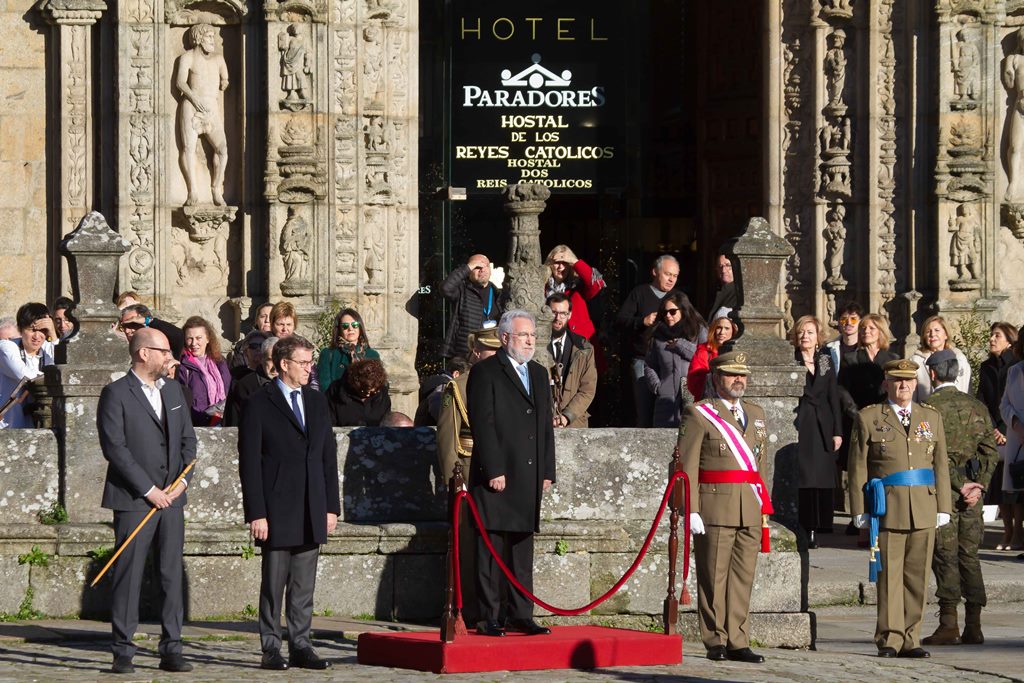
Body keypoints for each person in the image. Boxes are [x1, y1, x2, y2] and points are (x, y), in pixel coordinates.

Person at [96, 328, 196, 674]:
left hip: (172, 499)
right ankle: (123, 650)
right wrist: (148, 490)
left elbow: (188, 442)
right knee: (129, 575)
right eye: (164, 351)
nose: (171, 356)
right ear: (143, 354)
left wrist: (182, 482)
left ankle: (172, 648)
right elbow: (115, 449)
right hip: (135, 500)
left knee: (171, 574)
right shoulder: (115, 394)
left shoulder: (174, 391)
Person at [238, 334, 339, 671]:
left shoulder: (316, 401)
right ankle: (271, 646)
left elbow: (327, 455)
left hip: (313, 503)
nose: (311, 369)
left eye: (311, 362)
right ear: (284, 364)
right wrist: (257, 513)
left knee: (303, 584)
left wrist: (331, 506)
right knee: (274, 582)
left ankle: (301, 643)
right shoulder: (258, 402)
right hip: (277, 506)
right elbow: (249, 462)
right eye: (304, 363)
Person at [849, 359, 952, 659]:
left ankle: (911, 637)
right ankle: (890, 638)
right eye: (897, 380)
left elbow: (941, 464)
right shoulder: (869, 417)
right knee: (890, 576)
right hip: (888, 507)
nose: (904, 385)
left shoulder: (930, 417)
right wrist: (859, 508)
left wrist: (943, 505)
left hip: (922, 505)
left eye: (909, 380)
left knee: (917, 576)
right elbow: (857, 466)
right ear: (887, 383)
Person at [678, 351, 770, 664]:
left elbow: (759, 463)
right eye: (732, 374)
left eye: (742, 374)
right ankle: (715, 638)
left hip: (750, 506)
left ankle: (738, 639)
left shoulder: (756, 413)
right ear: (717, 378)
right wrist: (690, 508)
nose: (738, 380)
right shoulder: (700, 412)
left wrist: (762, 505)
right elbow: (685, 464)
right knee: (713, 576)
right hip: (715, 506)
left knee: (743, 578)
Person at [467, 310, 555, 637]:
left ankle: (521, 612)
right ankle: (488, 615)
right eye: (523, 335)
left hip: (528, 474)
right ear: (505, 338)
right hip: (499, 473)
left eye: (532, 335)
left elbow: (544, 425)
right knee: (491, 547)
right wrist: (494, 468)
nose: (530, 341)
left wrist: (547, 470)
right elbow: (483, 423)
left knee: (521, 548)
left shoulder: (538, 372)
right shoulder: (486, 372)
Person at [920, 350, 998, 646]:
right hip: (972, 497)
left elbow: (928, 456)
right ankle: (974, 625)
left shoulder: (927, 409)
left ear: (933, 374)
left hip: (942, 494)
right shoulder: (977, 406)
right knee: (970, 556)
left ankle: (948, 623)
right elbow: (990, 452)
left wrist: (961, 484)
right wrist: (978, 486)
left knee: (945, 557)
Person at [791, 316, 842, 548]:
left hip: (823, 423)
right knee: (803, 475)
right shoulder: (791, 358)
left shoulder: (824, 360)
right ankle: (805, 527)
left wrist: (837, 431)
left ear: (818, 336)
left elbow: (833, 395)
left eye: (810, 332)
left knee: (821, 475)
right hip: (801, 421)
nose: (805, 336)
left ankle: (820, 526)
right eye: (802, 332)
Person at [615, 254, 682, 426]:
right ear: (654, 272)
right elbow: (620, 320)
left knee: (670, 411)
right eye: (667, 274)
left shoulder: (679, 298)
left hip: (671, 362)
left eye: (675, 276)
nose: (671, 279)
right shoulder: (640, 293)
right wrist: (642, 321)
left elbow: (692, 325)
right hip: (643, 360)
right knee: (644, 411)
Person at [175, 23, 229, 206]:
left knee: (222, 150)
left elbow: (225, 78)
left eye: (213, 37)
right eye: (208, 37)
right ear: (198, 38)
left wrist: (224, 82)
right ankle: (193, 190)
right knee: (188, 148)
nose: (212, 41)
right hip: (191, 106)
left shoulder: (219, 59)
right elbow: (180, 83)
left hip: (211, 108)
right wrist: (194, 97)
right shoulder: (187, 57)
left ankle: (216, 188)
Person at [977, 322, 1020, 549]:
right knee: (999, 486)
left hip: (1012, 431)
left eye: (997, 335)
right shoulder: (986, 367)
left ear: (1010, 340)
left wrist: (1004, 429)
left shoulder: (1015, 366)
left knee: (1015, 483)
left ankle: (1018, 533)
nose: (992, 339)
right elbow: (981, 400)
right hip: (994, 431)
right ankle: (1007, 531)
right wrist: (992, 428)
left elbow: (1014, 400)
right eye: (991, 334)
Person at [642, 292, 707, 427]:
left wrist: (680, 345)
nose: (668, 316)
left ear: (683, 310)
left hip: (694, 395)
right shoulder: (657, 334)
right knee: (662, 440)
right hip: (665, 398)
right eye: (665, 312)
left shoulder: (698, 330)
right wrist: (657, 386)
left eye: (672, 312)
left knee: (691, 440)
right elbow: (649, 364)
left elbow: (706, 357)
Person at [0, 303, 58, 429]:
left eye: (43, 330)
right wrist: (51, 376)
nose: (37, 336)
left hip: (40, 427)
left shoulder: (48, 347)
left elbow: (64, 368)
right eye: (32, 330)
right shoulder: (7, 347)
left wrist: (53, 334)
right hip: (8, 428)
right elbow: (25, 376)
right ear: (20, 330)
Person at [547, 293, 597, 428]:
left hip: (574, 423)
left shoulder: (584, 348)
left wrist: (566, 416)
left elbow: (588, 390)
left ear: (569, 315)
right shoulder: (533, 345)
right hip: (544, 422)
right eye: (554, 312)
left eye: (563, 313)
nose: (558, 318)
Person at [440, 254, 502, 359]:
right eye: (476, 267)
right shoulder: (462, 290)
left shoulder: (498, 293)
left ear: (490, 270)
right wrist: (467, 267)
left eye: (485, 266)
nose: (481, 269)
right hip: (467, 354)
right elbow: (446, 288)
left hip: (493, 352)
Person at [543, 245, 606, 345]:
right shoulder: (541, 286)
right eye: (557, 263)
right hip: (548, 340)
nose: (561, 267)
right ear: (550, 264)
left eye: (565, 263)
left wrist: (575, 262)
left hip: (578, 342)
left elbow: (596, 283)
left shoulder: (578, 286)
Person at [176, 316, 231, 426]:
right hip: (197, 424)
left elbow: (229, 388)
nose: (193, 343)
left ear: (208, 339)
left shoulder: (220, 361)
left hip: (222, 422)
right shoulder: (182, 366)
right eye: (189, 338)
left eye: (198, 338)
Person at [838, 313, 899, 410]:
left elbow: (897, 388)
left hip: (886, 413)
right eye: (863, 328)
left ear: (881, 331)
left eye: (871, 328)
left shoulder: (893, 359)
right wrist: (855, 413)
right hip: (858, 414)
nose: (866, 331)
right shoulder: (850, 359)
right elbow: (842, 390)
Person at [998, 341, 1024, 551]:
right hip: (1018, 437)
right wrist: (1016, 422)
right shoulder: (1015, 371)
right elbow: (1004, 404)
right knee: (1018, 490)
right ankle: (1017, 535)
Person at [316, 308, 380, 393]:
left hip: (367, 404)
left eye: (355, 324)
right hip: (338, 403)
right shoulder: (328, 354)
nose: (350, 329)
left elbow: (381, 384)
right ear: (339, 329)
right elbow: (324, 387)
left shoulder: (372, 355)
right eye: (345, 326)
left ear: (360, 327)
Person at [910, 316, 971, 402]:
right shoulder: (916, 361)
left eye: (937, 330)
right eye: (928, 331)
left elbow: (966, 389)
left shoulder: (959, 358)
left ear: (946, 334)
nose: (932, 334)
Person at [223, 336, 278, 428]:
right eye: (270, 360)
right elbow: (232, 422)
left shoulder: (291, 384)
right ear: (262, 358)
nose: (275, 367)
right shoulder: (244, 385)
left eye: (278, 360)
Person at [326, 358, 391, 427]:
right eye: (363, 390)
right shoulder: (335, 391)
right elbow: (328, 422)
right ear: (355, 384)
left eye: (373, 392)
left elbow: (386, 423)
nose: (368, 394)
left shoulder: (382, 395)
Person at [687, 316, 736, 401]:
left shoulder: (737, 352)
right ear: (713, 330)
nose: (722, 332)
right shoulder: (703, 351)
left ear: (733, 331)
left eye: (727, 328)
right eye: (719, 328)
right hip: (709, 402)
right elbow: (694, 382)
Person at [118, 304, 185, 360]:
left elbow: (179, 336)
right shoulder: (122, 346)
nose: (127, 331)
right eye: (124, 326)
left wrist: (149, 321)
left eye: (132, 324)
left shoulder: (161, 342)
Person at [415, 357, 468, 427]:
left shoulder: (439, 382)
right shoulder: (445, 386)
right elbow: (439, 410)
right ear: (456, 374)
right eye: (465, 379)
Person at [229, 303, 275, 370]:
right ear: (256, 320)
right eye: (263, 316)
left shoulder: (284, 343)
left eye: (271, 316)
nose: (267, 320)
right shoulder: (242, 345)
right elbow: (238, 371)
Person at [824, 302, 864, 372]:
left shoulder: (867, 347)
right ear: (839, 322)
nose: (848, 323)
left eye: (853, 319)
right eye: (844, 319)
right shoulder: (828, 349)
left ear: (860, 322)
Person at [706, 253, 738, 323]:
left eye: (728, 265)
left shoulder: (739, 293)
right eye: (720, 266)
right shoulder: (713, 292)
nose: (723, 270)